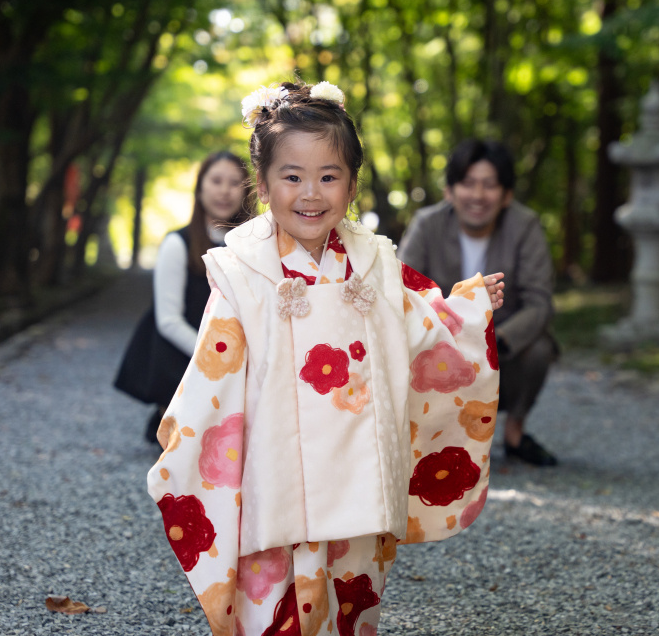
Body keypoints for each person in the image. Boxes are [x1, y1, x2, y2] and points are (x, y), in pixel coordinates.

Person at [146, 81, 505, 636]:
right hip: (276, 469)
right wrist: (191, 438)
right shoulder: (241, 270)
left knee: (353, 597)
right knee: (276, 607)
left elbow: (418, 325)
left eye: (329, 176)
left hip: (360, 471)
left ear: (352, 184)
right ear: (263, 185)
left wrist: (465, 309)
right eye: (292, 176)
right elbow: (214, 371)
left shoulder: (374, 261)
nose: (310, 193)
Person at [398, 138, 559, 467]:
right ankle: (430, 434)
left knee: (540, 346)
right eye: (468, 183)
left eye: (489, 185)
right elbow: (401, 291)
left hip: (502, 346)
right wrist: (445, 335)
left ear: (506, 195)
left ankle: (515, 433)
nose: (477, 195)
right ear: (450, 191)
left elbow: (540, 303)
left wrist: (493, 340)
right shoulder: (427, 225)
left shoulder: (524, 226)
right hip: (437, 341)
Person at [114, 151, 253, 444]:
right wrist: (216, 358)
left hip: (235, 348)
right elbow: (168, 321)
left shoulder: (253, 247)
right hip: (183, 350)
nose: (224, 191)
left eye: (234, 183)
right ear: (200, 188)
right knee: (189, 443)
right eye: (216, 181)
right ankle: (171, 412)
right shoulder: (178, 243)